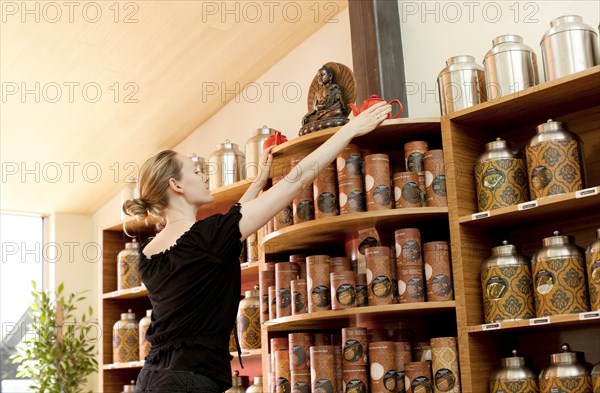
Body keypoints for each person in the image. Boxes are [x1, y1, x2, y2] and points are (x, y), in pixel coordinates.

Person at [124, 102, 391, 393]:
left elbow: (227, 225)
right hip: (189, 380)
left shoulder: (150, 254)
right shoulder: (210, 235)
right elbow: (296, 179)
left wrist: (259, 181)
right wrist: (350, 128)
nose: (204, 176)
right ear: (176, 185)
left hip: (149, 378)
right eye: (194, 171)